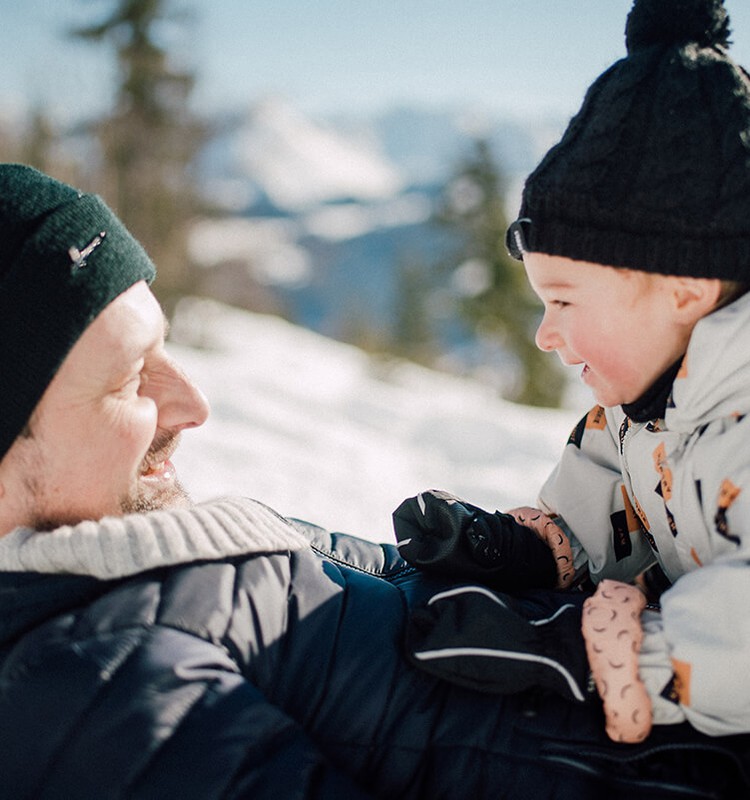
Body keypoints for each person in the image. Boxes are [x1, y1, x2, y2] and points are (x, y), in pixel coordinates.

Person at [0, 7, 749, 800]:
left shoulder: (151, 553)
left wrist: (517, 554)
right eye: (128, 381)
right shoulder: (86, 686)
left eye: (167, 351)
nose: (195, 404)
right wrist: (589, 645)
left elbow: (357, 597)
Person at [390, 0, 750, 770]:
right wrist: (524, 554)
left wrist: (606, 658)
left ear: (683, 288)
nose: (545, 335)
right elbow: (616, 493)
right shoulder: (652, 403)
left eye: (563, 302)